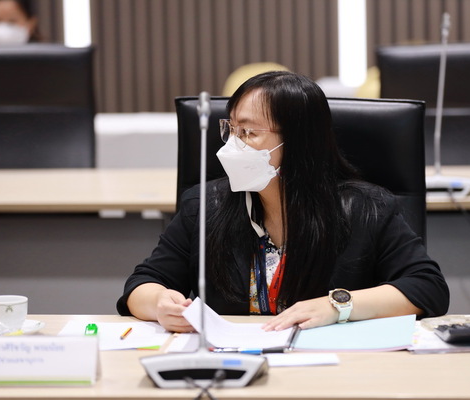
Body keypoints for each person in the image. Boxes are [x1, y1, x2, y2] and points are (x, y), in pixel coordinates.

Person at [117, 71, 449, 332]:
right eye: (231, 129)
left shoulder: (365, 208)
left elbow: (426, 287)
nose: (232, 146)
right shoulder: (206, 205)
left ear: (298, 143)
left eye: (249, 133)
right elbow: (141, 285)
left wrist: (337, 306)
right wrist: (159, 303)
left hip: (336, 367)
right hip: (235, 365)